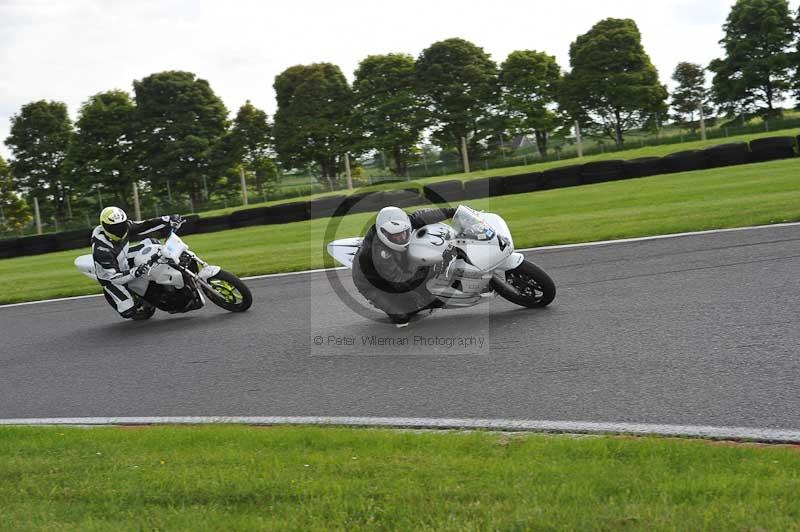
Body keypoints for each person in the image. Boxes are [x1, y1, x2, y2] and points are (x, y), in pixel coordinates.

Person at [352, 206, 457, 327]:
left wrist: (451, 212)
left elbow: (423, 216)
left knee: (429, 296)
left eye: (404, 233)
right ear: (384, 234)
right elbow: (401, 282)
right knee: (403, 317)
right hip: (374, 283)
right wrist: (434, 269)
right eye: (396, 236)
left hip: (398, 262)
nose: (401, 238)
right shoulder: (380, 254)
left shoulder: (404, 223)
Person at [91, 206, 183, 319]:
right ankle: (114, 293)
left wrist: (168, 219)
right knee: (128, 311)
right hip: (112, 277)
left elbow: (144, 225)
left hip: (123, 256)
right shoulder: (101, 250)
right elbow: (114, 277)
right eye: (115, 228)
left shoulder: (125, 227)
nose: (119, 230)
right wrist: (135, 272)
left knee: (153, 243)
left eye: (121, 225)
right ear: (105, 227)